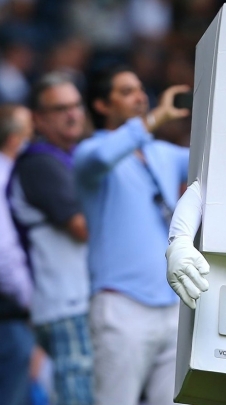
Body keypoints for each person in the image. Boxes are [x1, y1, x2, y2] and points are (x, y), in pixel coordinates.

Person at [73, 65, 190, 405]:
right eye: (125, 92)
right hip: (121, 304)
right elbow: (103, 156)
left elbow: (214, 156)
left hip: (171, 305)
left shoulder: (162, 153)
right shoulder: (90, 154)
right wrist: (154, 119)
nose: (140, 97)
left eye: (140, 89)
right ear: (100, 105)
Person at [7, 72, 93, 405]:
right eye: (60, 109)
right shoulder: (40, 162)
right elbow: (83, 228)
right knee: (78, 396)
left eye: (76, 105)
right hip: (63, 304)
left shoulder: (70, 156)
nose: (72, 114)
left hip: (73, 301)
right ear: (37, 119)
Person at [0, 103, 34, 405]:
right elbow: (4, 252)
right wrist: (30, 301)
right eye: (28, 133)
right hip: (8, 315)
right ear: (14, 139)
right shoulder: (5, 177)